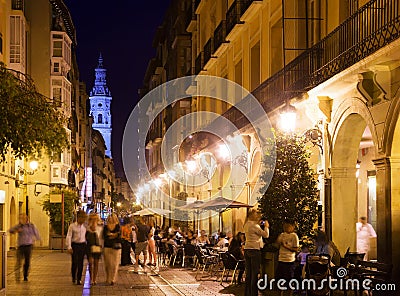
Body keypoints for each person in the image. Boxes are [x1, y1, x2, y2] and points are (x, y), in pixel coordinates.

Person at [243, 209, 269, 296]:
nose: (258, 216)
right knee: (254, 273)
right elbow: (266, 235)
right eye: (256, 215)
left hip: (247, 249)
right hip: (254, 249)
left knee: (249, 273)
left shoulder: (246, 224)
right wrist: (266, 226)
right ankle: (253, 293)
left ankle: (247, 293)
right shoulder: (254, 226)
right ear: (251, 216)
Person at [9, 213, 40, 282]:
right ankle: (17, 276)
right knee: (18, 261)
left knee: (27, 262)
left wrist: (38, 239)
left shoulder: (31, 226)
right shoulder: (19, 226)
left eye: (22, 218)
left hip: (28, 246)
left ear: (26, 219)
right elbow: (10, 230)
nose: (21, 220)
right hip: (20, 246)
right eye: (20, 218)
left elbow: (36, 233)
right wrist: (15, 231)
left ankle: (25, 275)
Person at [276, 220, 299, 288]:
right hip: (281, 259)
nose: (285, 228)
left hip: (289, 260)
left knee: (289, 280)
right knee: (279, 279)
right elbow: (277, 245)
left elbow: (296, 249)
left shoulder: (294, 236)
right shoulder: (282, 235)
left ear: (292, 227)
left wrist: (286, 246)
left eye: (287, 226)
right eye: (284, 226)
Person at [66, 210, 87, 285]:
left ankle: (79, 279)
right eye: (82, 218)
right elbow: (69, 236)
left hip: (82, 245)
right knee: (75, 262)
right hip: (75, 245)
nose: (83, 220)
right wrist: (69, 247)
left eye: (84, 218)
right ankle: (73, 277)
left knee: (81, 263)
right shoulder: (72, 226)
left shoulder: (85, 226)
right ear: (78, 217)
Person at [103, 213, 122, 285]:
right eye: (110, 218)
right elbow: (104, 236)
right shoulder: (105, 227)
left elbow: (119, 236)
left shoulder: (118, 226)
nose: (111, 219)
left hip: (116, 247)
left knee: (115, 264)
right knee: (108, 264)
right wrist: (114, 235)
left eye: (112, 218)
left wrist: (111, 235)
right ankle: (108, 277)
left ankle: (113, 279)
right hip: (107, 246)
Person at [86, 213, 103, 285]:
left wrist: (102, 245)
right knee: (90, 262)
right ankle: (91, 277)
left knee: (96, 263)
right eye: (92, 219)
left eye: (95, 218)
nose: (94, 220)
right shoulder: (87, 226)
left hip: (97, 246)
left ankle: (94, 279)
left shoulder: (100, 227)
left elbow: (101, 237)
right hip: (89, 246)